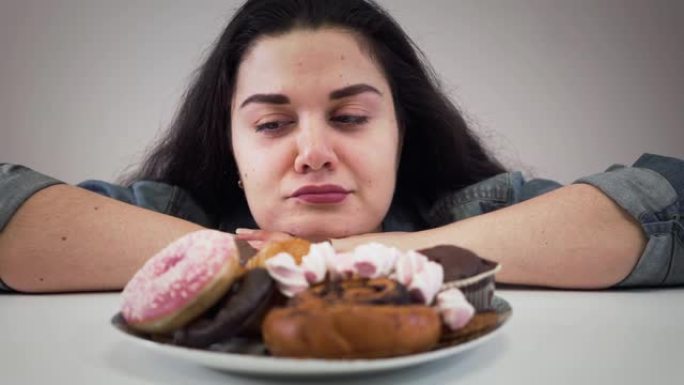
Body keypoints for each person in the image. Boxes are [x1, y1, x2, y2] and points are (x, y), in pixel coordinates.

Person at [0, 0, 681, 293]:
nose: (313, 151)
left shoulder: (474, 211)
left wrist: (350, 258)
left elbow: (669, 201)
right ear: (228, 144)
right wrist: (241, 259)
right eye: (271, 125)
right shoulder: (175, 212)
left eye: (350, 116)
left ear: (400, 132)